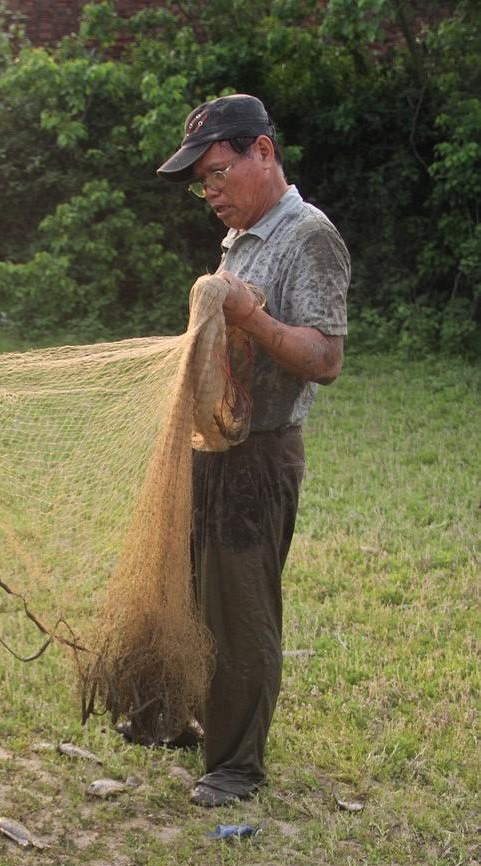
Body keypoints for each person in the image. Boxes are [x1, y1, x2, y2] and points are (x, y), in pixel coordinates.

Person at [156, 94, 350, 806]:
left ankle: (236, 766)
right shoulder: (242, 235)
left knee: (241, 609)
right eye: (201, 181)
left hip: (261, 454)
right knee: (194, 590)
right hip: (215, 443)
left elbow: (324, 357)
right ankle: (173, 717)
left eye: (216, 173)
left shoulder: (310, 237)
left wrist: (251, 316)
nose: (209, 192)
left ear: (262, 152)